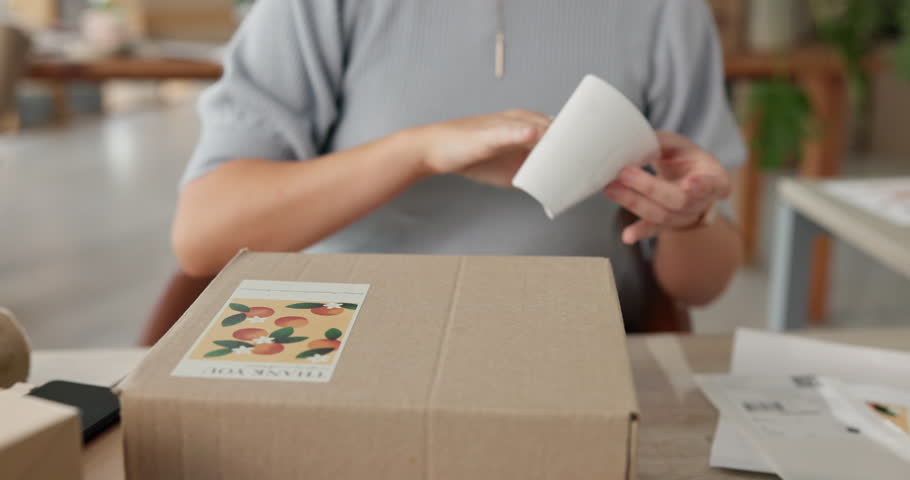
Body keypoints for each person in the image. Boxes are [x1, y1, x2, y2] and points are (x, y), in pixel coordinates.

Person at [170, 0, 745, 332]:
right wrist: (417, 153)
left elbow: (702, 286)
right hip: (346, 345)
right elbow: (205, 234)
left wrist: (690, 218)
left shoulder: (662, 11)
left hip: (569, 347)